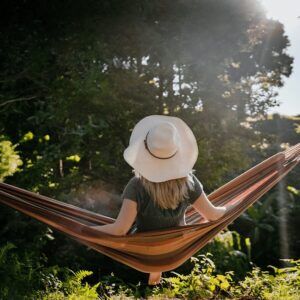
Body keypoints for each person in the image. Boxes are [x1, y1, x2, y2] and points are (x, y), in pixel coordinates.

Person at [93, 115, 229, 285]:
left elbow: (120, 229)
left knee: (149, 240)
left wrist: (89, 231)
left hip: (145, 249)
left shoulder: (137, 186)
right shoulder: (189, 182)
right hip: (177, 246)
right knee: (163, 242)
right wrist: (231, 207)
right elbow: (213, 215)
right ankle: (155, 278)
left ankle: (154, 273)